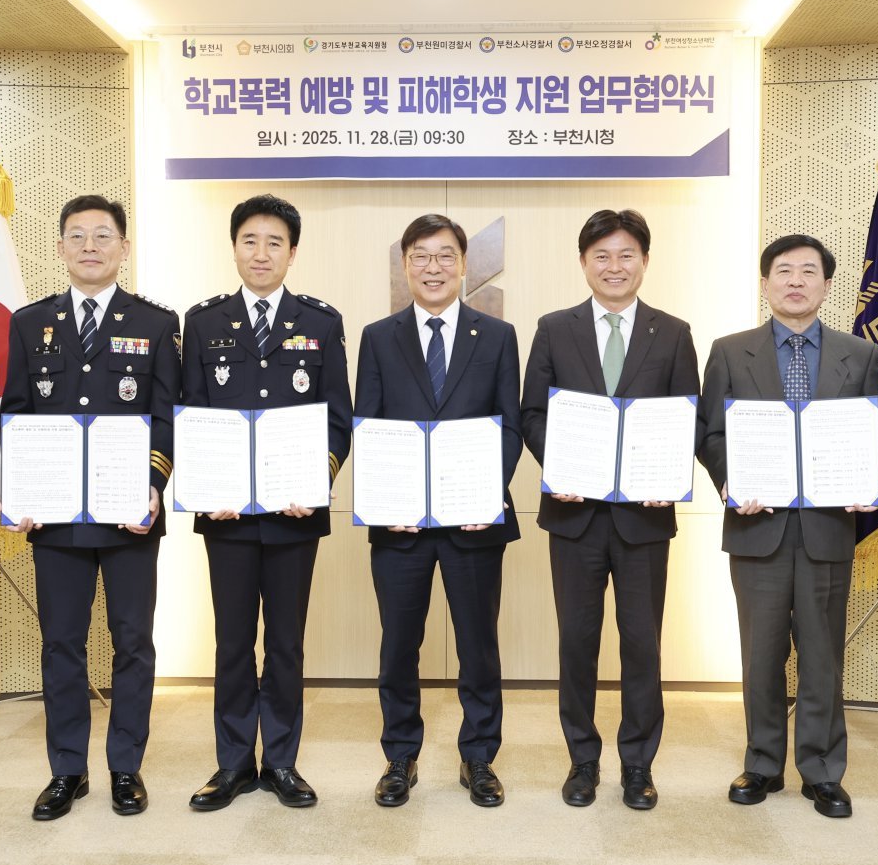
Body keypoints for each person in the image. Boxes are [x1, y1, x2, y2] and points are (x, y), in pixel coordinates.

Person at [1, 195, 179, 821]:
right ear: (59, 248)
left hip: (129, 513)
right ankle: (67, 771)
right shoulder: (30, 323)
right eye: (76, 236)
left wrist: (154, 484)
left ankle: (125, 767)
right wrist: (20, 490)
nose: (90, 247)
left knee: (133, 642)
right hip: (55, 520)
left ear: (124, 248)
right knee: (61, 644)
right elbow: (17, 413)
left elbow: (166, 416)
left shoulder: (156, 322)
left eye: (103, 235)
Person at [696, 234, 878, 819]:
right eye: (783, 271)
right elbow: (710, 432)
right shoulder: (730, 352)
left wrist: (867, 477)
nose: (795, 281)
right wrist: (730, 479)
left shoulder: (860, 355)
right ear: (765, 283)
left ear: (826, 285)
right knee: (761, 652)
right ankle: (761, 763)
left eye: (808, 271)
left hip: (828, 527)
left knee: (822, 653)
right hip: (758, 526)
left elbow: (874, 433)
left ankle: (823, 770)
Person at [519, 209, 699, 810]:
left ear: (644, 261)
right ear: (583, 263)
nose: (614, 266)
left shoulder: (673, 332)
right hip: (574, 516)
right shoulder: (554, 328)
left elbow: (687, 416)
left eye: (626, 255)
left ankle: (638, 764)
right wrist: (560, 465)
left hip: (644, 518)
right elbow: (532, 413)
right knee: (577, 641)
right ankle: (582, 759)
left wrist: (668, 476)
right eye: (602, 256)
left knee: (642, 644)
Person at [180, 194, 351, 810]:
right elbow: (191, 413)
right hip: (225, 516)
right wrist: (205, 486)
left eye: (274, 242)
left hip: (293, 515)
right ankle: (232, 764)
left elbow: (338, 418)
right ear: (234, 248)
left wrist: (315, 479)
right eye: (249, 241)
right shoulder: (202, 321)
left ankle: (280, 761)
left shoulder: (321, 322)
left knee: (284, 643)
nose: (261, 253)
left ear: (292, 252)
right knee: (231, 642)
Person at [355, 213, 522, 808]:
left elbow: (509, 426)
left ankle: (479, 757)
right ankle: (400, 756)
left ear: (464, 264)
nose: (434, 267)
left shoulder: (497, 336)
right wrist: (381, 501)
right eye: (421, 256)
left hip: (473, 522)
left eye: (445, 255)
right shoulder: (378, 337)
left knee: (479, 646)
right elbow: (368, 425)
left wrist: (488, 492)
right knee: (399, 645)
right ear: (405, 265)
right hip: (399, 526)